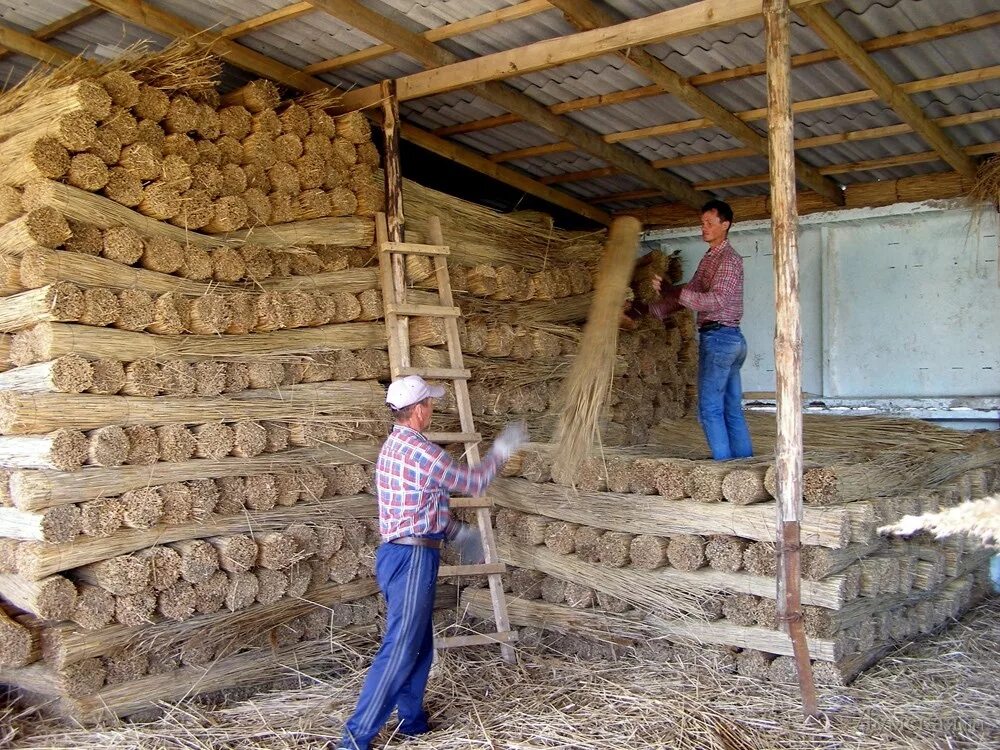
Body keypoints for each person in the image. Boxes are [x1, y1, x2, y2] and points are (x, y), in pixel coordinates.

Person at [337, 375, 527, 750]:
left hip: (401, 556)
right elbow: (472, 483)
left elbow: (419, 504)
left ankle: (412, 723)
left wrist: (456, 533)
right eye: (430, 403)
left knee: (420, 644)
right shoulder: (420, 451)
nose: (433, 409)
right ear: (420, 409)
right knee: (402, 647)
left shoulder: (395, 446)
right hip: (410, 559)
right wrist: (502, 451)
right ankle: (354, 740)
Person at [650, 199, 753, 461]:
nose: (704, 227)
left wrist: (673, 291)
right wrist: (650, 309)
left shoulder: (729, 260)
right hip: (729, 341)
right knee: (731, 408)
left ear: (725, 225)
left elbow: (714, 300)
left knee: (709, 409)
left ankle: (724, 468)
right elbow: (691, 292)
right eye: (702, 223)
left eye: (709, 223)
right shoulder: (710, 258)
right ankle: (745, 468)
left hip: (721, 339)